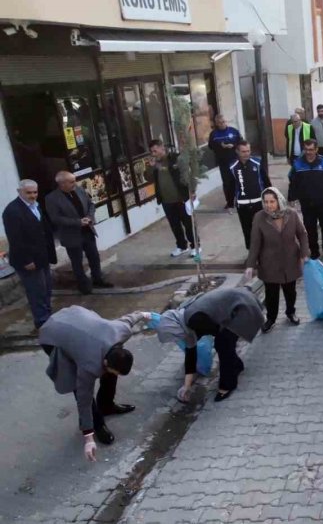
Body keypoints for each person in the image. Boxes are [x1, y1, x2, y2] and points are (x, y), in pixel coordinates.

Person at [39, 307, 145, 460]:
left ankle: (107, 405)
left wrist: (144, 314)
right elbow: (84, 399)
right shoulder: (88, 366)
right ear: (105, 361)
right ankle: (97, 424)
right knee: (77, 381)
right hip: (53, 334)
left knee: (110, 372)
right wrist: (88, 437)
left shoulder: (120, 331)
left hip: (76, 318)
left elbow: (130, 318)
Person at [153, 287, 264, 402]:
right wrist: (186, 386)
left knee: (223, 344)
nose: (176, 339)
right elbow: (190, 356)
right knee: (223, 344)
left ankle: (227, 386)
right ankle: (236, 366)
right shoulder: (184, 322)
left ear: (175, 329)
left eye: (174, 336)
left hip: (242, 306)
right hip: (236, 302)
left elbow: (218, 331)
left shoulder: (193, 320)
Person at [246, 187, 310, 333]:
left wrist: (304, 253)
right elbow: (255, 243)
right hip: (269, 263)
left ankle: (290, 312)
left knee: (290, 291)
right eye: (266, 202)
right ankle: (271, 318)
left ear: (279, 201)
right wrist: (250, 265)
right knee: (271, 293)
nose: (268, 205)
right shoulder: (259, 217)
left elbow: (302, 234)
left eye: (272, 202)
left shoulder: (291, 214)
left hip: (290, 260)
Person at [45, 172, 111, 295]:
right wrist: (78, 222)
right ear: (62, 183)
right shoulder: (52, 198)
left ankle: (97, 279)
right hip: (71, 235)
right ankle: (83, 285)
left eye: (74, 181)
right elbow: (55, 218)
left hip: (87, 231)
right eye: (71, 182)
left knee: (94, 257)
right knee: (77, 261)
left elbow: (91, 204)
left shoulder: (79, 190)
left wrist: (89, 217)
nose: (74, 183)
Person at [2, 179, 57, 328]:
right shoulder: (12, 211)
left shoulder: (35, 206)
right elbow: (16, 239)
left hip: (42, 256)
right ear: (19, 192)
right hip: (28, 260)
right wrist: (27, 261)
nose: (33, 196)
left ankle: (47, 315)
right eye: (29, 193)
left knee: (46, 289)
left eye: (35, 192)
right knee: (36, 292)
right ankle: (42, 321)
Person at [288, 140, 323, 259]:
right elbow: (293, 182)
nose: (308, 152)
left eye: (311, 150)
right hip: (306, 202)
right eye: (306, 150)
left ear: (316, 149)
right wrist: (291, 197)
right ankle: (314, 251)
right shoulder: (297, 164)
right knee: (310, 228)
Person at [150, 140, 198, 256]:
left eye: (155, 151)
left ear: (162, 148)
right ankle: (181, 246)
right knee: (175, 225)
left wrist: (192, 190)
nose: (153, 154)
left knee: (188, 224)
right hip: (166, 201)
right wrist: (151, 167)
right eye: (152, 152)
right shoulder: (155, 164)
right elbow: (149, 178)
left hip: (181, 198)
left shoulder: (175, 158)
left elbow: (189, 173)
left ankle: (195, 246)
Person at [230, 141, 271, 250]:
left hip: (258, 203)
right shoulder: (232, 167)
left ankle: (265, 253)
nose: (246, 154)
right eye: (243, 151)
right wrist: (230, 203)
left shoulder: (257, 163)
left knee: (262, 228)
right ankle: (252, 254)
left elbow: (266, 181)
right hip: (242, 205)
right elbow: (229, 186)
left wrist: (270, 198)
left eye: (248, 151)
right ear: (237, 152)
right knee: (247, 230)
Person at [207, 115, 242, 209]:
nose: (222, 124)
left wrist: (233, 146)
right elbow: (210, 146)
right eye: (220, 123)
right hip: (223, 162)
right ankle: (230, 202)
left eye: (223, 122)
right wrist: (220, 146)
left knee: (237, 180)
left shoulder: (234, 131)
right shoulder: (214, 134)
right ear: (216, 124)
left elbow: (241, 143)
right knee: (227, 182)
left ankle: (239, 200)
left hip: (235, 160)